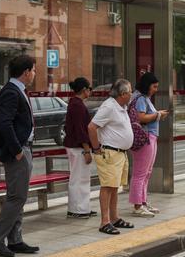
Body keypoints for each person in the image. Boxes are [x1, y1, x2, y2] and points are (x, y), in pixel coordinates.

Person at [0, 54, 39, 257]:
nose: (34, 74)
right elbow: (4, 123)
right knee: (17, 197)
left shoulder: (17, 90)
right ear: (26, 72)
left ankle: (15, 240)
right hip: (18, 151)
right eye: (33, 70)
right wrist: (17, 150)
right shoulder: (11, 92)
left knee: (19, 196)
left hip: (25, 148)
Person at [87, 79, 136, 235]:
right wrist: (96, 148)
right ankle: (104, 222)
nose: (132, 94)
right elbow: (92, 127)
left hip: (120, 153)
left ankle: (114, 218)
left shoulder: (121, 106)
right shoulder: (109, 106)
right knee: (107, 187)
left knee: (114, 186)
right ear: (122, 94)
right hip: (110, 152)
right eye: (130, 91)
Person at [129, 72, 168, 218]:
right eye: (154, 86)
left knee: (147, 172)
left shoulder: (145, 98)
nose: (156, 89)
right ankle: (137, 205)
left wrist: (157, 114)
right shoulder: (140, 98)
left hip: (150, 137)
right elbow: (141, 117)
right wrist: (158, 115)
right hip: (144, 137)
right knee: (140, 173)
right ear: (147, 85)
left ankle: (143, 201)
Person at [63, 77, 96, 219]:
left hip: (75, 146)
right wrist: (87, 149)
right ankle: (78, 210)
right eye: (89, 88)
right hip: (78, 147)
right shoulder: (77, 105)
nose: (90, 91)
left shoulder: (75, 103)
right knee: (79, 178)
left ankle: (81, 208)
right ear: (84, 89)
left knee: (80, 177)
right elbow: (80, 130)